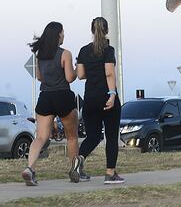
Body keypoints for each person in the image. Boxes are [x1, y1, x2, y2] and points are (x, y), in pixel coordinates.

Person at [22, 21, 82, 186]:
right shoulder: (65, 54)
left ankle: (30, 168)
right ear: (57, 35)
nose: (64, 35)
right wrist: (77, 69)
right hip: (63, 96)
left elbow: (40, 77)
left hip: (45, 97)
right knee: (71, 136)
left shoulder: (39, 55)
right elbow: (70, 78)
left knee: (40, 137)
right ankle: (74, 170)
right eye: (63, 32)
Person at [76, 17, 125, 184]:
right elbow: (109, 72)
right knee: (111, 136)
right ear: (107, 31)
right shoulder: (108, 50)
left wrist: (93, 70)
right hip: (106, 98)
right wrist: (112, 95)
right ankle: (110, 174)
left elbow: (81, 74)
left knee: (93, 136)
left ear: (92, 31)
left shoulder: (83, 51)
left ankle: (79, 159)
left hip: (90, 98)